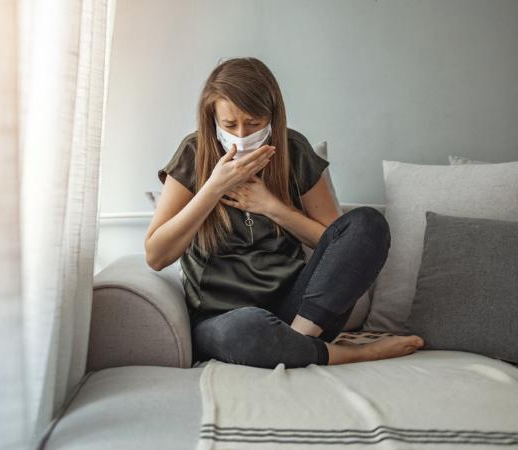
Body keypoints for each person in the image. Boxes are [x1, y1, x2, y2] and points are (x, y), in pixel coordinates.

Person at [145, 57, 424, 369]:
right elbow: (156, 256)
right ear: (212, 119)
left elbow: (338, 243)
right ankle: (351, 354)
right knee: (248, 329)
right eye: (229, 125)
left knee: (368, 225)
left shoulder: (294, 150)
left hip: (305, 313)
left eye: (253, 124)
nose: (241, 134)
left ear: (273, 117)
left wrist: (272, 207)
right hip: (223, 320)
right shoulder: (193, 153)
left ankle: (294, 344)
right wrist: (212, 189)